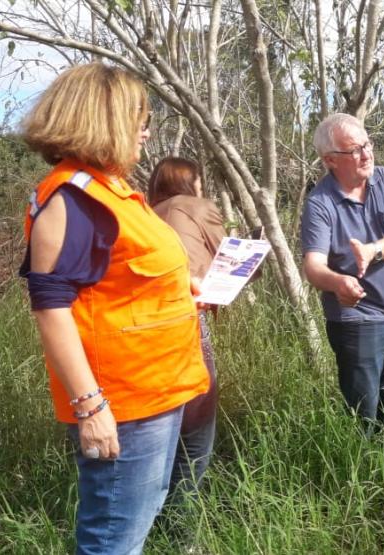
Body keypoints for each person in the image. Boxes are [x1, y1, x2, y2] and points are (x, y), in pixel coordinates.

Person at [19, 63, 210, 554]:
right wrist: (91, 407)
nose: (146, 130)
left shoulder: (116, 192)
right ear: (101, 119)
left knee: (141, 516)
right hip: (124, 405)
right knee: (114, 539)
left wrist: (180, 285)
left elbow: (123, 277)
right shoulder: (75, 199)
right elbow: (51, 307)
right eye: (137, 118)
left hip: (160, 390)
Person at [300, 113, 384, 431]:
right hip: (356, 324)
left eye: (367, 144)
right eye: (355, 150)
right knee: (365, 419)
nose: (366, 154)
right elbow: (313, 266)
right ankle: (362, 477)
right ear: (330, 160)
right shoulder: (320, 204)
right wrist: (338, 282)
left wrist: (372, 250)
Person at [148, 157, 224, 502]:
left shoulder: (144, 215)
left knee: (159, 436)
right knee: (194, 437)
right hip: (189, 322)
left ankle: (157, 522)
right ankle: (183, 531)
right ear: (192, 183)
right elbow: (228, 262)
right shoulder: (197, 207)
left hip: (145, 331)